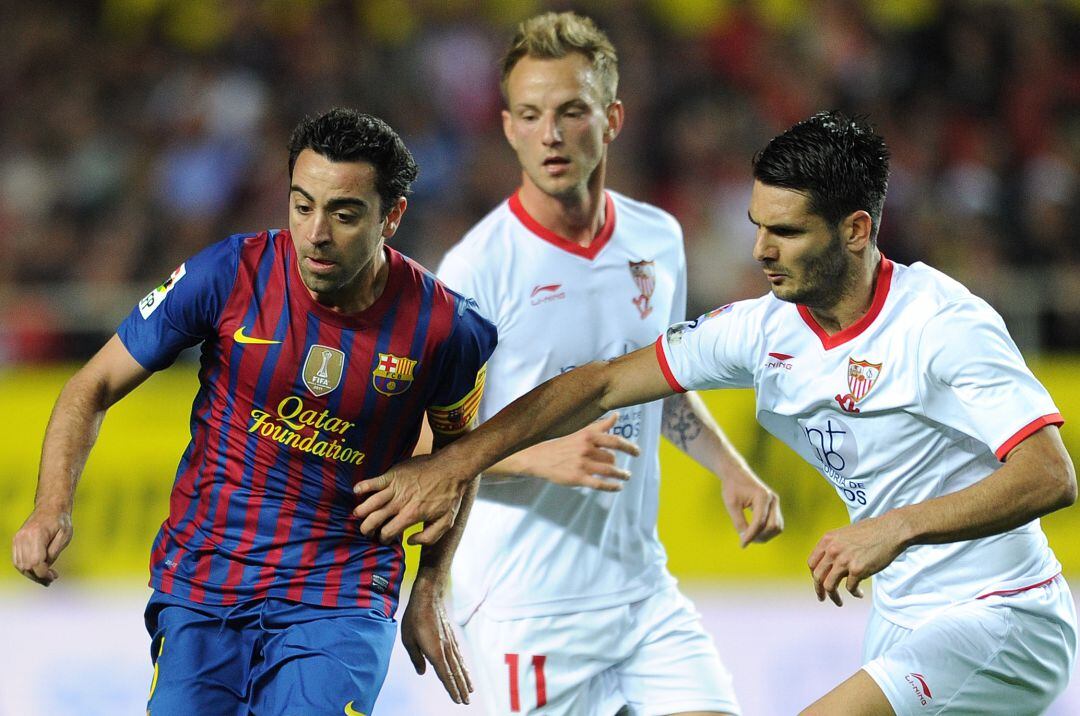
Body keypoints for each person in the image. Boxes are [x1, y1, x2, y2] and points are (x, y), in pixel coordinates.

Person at [356, 111, 1078, 715]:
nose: (761, 250)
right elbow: (601, 385)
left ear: (857, 230)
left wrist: (897, 526)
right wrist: (455, 460)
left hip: (1005, 611)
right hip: (903, 614)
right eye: (757, 225)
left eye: (787, 232)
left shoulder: (943, 323)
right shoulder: (765, 328)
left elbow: (1051, 476)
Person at [12, 108, 497, 715]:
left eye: (343, 214)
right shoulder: (229, 273)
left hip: (339, 594)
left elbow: (460, 458)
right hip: (204, 581)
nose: (315, 232)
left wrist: (431, 584)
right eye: (301, 205)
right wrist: (50, 506)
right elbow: (92, 385)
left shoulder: (448, 328)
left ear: (391, 216)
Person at [416, 11, 782, 715]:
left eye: (571, 111)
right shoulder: (476, 272)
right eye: (530, 114)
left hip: (642, 592)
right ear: (507, 127)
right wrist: (535, 454)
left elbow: (657, 380)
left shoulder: (656, 237)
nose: (550, 134)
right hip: (526, 607)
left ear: (612, 118)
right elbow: (417, 442)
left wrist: (729, 467)